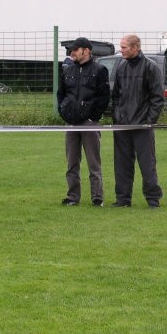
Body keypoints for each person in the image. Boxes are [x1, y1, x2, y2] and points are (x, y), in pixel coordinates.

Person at [110, 34, 164, 208]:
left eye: (124, 47)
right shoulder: (120, 67)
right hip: (122, 125)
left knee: (147, 165)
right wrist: (117, 118)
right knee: (122, 164)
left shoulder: (151, 67)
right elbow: (116, 96)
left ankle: (153, 200)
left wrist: (149, 121)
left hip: (143, 126)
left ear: (135, 47)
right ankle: (123, 199)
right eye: (121, 46)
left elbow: (157, 99)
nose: (121, 50)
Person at [57, 37, 110, 207]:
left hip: (89, 123)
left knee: (94, 163)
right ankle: (73, 197)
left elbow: (104, 97)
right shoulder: (67, 70)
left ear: (86, 50)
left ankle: (97, 197)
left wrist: (93, 117)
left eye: (75, 50)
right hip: (71, 122)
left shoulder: (100, 70)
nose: (71, 53)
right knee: (72, 162)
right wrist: (64, 113)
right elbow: (61, 94)